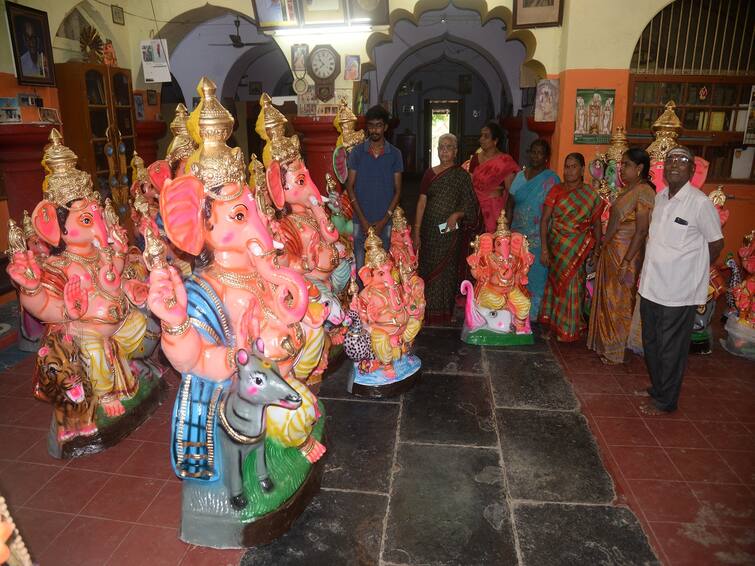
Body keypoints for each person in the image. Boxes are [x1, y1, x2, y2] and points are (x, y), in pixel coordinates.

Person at [637, 146, 724, 415]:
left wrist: (692, 270)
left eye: (682, 161)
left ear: (690, 170)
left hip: (678, 290)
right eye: (670, 160)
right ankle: (658, 386)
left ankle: (666, 400)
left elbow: (716, 242)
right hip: (651, 286)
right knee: (651, 341)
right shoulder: (661, 197)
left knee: (671, 348)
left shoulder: (699, 203)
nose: (675, 165)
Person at [587, 148, 655, 364]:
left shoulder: (644, 192)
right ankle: (606, 345)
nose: (621, 169)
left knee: (620, 301)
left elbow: (642, 230)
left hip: (627, 255)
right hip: (613, 251)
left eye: (626, 165)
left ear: (640, 168)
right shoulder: (629, 190)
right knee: (609, 297)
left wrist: (627, 261)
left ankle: (615, 351)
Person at [413, 133, 479, 324]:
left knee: (447, 271)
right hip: (429, 232)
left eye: (449, 147)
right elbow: (421, 203)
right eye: (441, 147)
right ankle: (426, 312)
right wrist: (416, 231)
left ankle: (444, 313)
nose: (444, 150)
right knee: (428, 269)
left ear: (456, 151)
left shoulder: (461, 177)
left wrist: (457, 214)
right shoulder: (429, 174)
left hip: (451, 232)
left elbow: (471, 206)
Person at [539, 152, 604, 341]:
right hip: (557, 247)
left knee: (574, 287)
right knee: (555, 286)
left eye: (573, 166)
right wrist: (544, 249)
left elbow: (597, 224)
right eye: (566, 167)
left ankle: (570, 328)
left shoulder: (590, 194)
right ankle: (554, 324)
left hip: (577, 249)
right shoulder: (556, 191)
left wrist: (597, 249)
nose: (569, 171)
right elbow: (544, 221)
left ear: (583, 169)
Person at [345, 105, 403, 271]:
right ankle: (361, 297)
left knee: (380, 270)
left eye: (378, 125)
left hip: (384, 221)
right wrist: (363, 221)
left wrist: (384, 221)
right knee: (362, 270)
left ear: (385, 127)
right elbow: (350, 186)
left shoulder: (395, 154)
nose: (374, 130)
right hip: (360, 220)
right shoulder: (357, 152)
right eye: (371, 125)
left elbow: (398, 191)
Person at [509, 139, 560, 320]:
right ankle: (516, 309)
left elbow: (556, 208)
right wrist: (507, 229)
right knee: (516, 272)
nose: (536, 156)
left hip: (540, 237)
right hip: (517, 235)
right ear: (529, 153)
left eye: (540, 153)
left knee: (536, 274)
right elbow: (511, 202)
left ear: (546, 158)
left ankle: (534, 314)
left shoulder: (551, 179)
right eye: (534, 152)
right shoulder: (520, 176)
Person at [468, 121, 519, 233]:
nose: (481, 139)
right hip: (475, 207)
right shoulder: (475, 159)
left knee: (492, 244)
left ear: (495, 141)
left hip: (494, 209)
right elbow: (469, 185)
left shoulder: (505, 161)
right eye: (481, 135)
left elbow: (510, 191)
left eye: (486, 136)